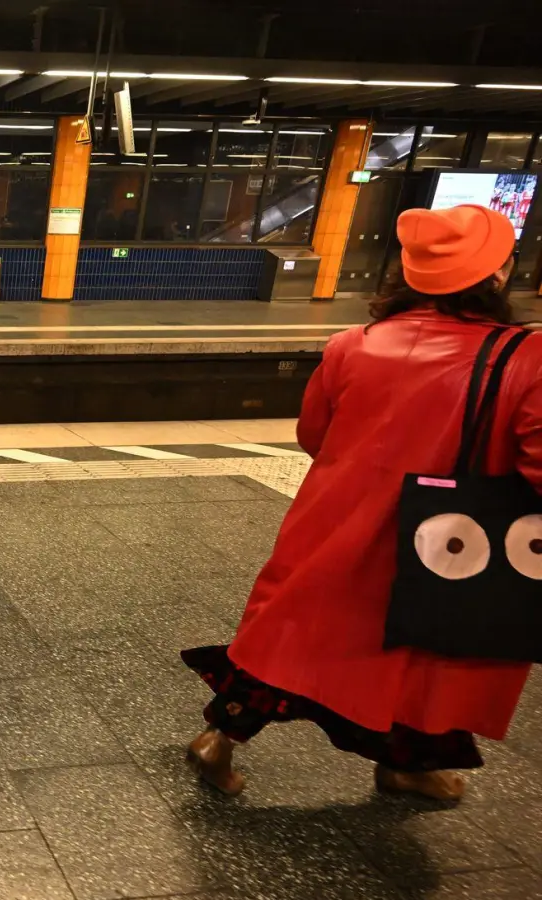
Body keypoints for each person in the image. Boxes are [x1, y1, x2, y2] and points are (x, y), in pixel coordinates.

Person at [182, 204, 542, 803]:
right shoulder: (523, 358)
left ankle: (219, 738)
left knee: (292, 639)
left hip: (332, 530)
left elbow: (313, 437)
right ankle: (408, 765)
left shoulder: (354, 344)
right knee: (425, 657)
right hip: (443, 544)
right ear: (496, 275)